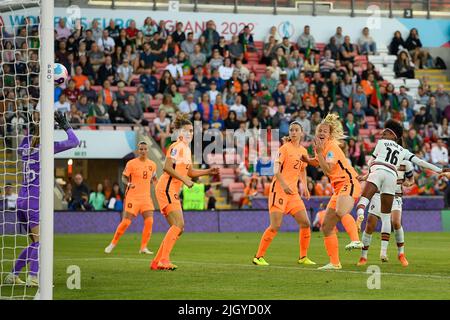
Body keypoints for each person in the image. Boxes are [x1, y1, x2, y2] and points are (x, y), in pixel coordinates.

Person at [4, 112, 79, 286]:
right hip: (34, 200)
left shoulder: (24, 145)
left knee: (34, 243)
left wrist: (34, 125)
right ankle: (33, 276)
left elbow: (31, 137)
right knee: (41, 242)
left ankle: (13, 274)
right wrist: (65, 125)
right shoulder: (46, 147)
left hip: (21, 200)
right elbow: (74, 142)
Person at [355, 120, 445, 257]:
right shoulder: (403, 151)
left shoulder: (381, 143)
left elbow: (372, 162)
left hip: (383, 178)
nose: (383, 134)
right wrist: (440, 170)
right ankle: (382, 253)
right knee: (385, 219)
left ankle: (360, 212)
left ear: (393, 135)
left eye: (386, 132)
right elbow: (420, 162)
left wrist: (368, 174)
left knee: (371, 205)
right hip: (391, 177)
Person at [151, 114, 219, 270]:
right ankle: (164, 260)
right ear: (180, 132)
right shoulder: (176, 146)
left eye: (192, 131)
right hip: (166, 188)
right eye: (188, 130)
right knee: (179, 225)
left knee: (178, 229)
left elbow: (190, 172)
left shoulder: (187, 150)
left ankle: (157, 262)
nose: (190, 133)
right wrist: (184, 180)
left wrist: (209, 171)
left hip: (171, 189)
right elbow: (167, 167)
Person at [301, 114, 363, 270]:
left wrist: (319, 154)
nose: (321, 133)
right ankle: (335, 263)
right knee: (326, 226)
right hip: (338, 188)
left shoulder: (332, 147)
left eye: (324, 131)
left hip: (348, 183)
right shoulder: (321, 147)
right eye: (319, 130)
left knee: (341, 211)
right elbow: (317, 162)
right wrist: (306, 159)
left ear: (329, 134)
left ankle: (356, 239)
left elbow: (327, 168)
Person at [253, 121, 315, 266]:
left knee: (305, 223)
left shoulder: (303, 151)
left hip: (292, 193)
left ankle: (303, 257)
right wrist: (284, 184)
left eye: (296, 130)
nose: (293, 132)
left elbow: (302, 169)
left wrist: (304, 186)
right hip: (279, 190)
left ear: (301, 133)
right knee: (275, 225)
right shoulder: (284, 148)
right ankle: (258, 256)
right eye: (291, 130)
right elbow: (276, 171)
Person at [358, 159, 414, 267]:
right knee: (370, 225)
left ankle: (401, 254)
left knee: (396, 222)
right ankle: (363, 256)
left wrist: (409, 183)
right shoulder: (379, 158)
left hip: (395, 195)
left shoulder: (406, 163)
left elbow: (412, 179)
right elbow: (371, 173)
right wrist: (364, 177)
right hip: (378, 194)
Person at [105, 142, 157, 255]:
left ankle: (143, 247)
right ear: (138, 151)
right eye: (141, 149)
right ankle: (112, 243)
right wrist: (128, 184)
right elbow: (123, 177)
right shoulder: (131, 163)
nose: (143, 151)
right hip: (133, 196)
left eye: (145, 149)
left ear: (148, 150)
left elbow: (154, 178)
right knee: (126, 222)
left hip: (146, 198)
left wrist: (156, 185)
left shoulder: (152, 164)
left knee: (150, 221)